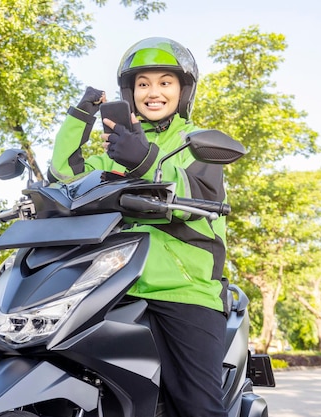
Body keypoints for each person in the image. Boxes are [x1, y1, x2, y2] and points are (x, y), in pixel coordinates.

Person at [48, 37, 229, 417]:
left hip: (184, 290)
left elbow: (198, 194)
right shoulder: (115, 149)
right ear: (130, 93)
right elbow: (64, 178)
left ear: (183, 89)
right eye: (143, 83)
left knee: (198, 407)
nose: (154, 92)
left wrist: (144, 158)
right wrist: (78, 116)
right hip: (112, 285)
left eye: (165, 82)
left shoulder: (195, 144)